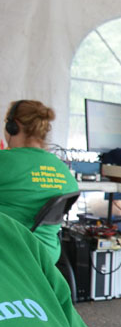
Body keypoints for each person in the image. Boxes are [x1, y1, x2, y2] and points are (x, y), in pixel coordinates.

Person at [0, 99, 78, 262]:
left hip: (10, 255)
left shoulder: (5, 161)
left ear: (13, 126)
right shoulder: (63, 170)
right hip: (46, 258)